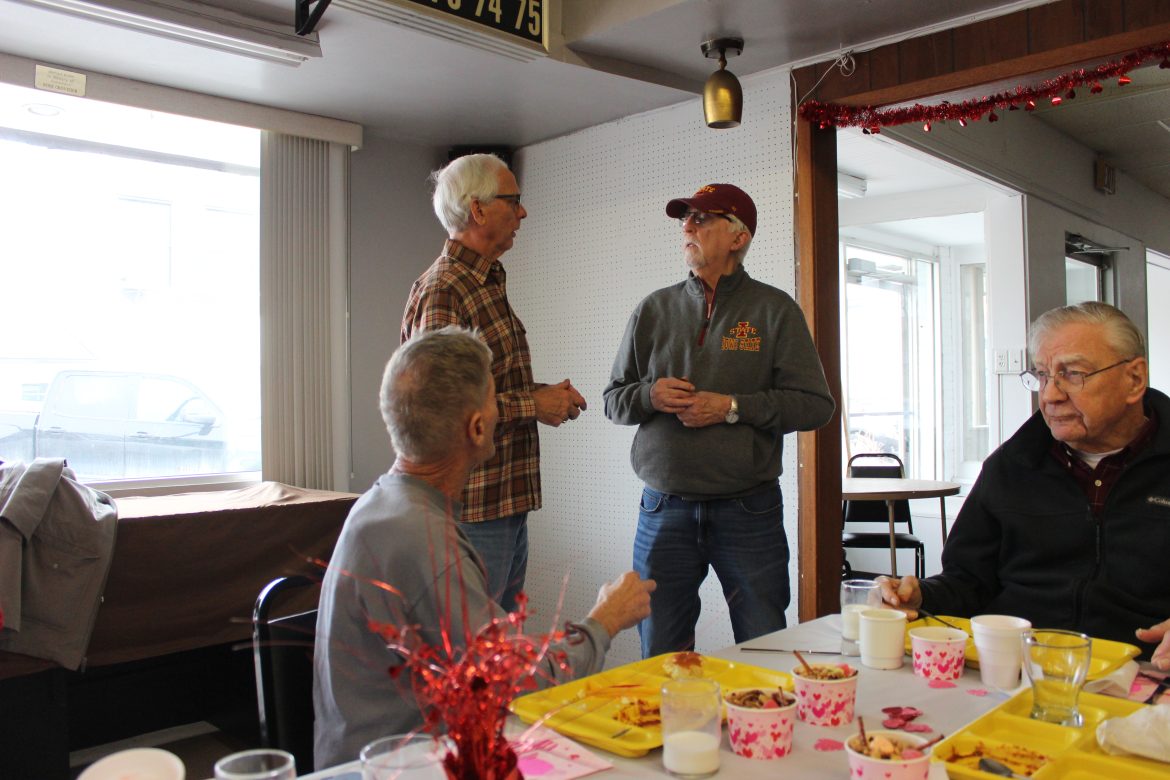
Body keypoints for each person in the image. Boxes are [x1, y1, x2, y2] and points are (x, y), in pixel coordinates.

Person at [313, 327, 654, 769]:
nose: (499, 411)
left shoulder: (383, 505)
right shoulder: (422, 539)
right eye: (495, 399)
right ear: (477, 427)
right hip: (398, 768)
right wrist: (603, 622)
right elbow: (516, 683)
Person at [603, 183, 835, 657]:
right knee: (661, 655)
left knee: (765, 646)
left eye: (701, 218)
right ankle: (670, 733)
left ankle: (766, 730)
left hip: (748, 511)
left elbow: (814, 405)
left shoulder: (775, 312)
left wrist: (731, 407)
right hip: (662, 510)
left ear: (737, 237)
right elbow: (613, 401)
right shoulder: (652, 309)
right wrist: (649, 394)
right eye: (685, 218)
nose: (687, 226)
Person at [878, 302, 1170, 669]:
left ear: (1134, 379)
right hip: (1014, 670)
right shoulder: (1010, 467)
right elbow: (969, 581)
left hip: (1147, 673)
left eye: (1073, 374)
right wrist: (922, 596)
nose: (1050, 395)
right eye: (1043, 376)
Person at [402, 153, 586, 614]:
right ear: (478, 209)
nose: (522, 213)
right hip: (471, 513)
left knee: (498, 658)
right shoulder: (447, 288)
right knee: (474, 664)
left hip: (501, 509)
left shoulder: (483, 282)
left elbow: (481, 387)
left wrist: (545, 395)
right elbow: (441, 409)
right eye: (514, 201)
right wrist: (533, 405)